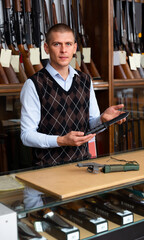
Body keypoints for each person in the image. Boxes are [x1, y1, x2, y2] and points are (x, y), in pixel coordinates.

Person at [20, 23, 125, 209]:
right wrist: (61, 140)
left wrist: (102, 119)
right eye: (56, 44)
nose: (63, 50)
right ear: (46, 48)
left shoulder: (85, 80)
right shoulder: (33, 84)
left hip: (82, 169)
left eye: (68, 44)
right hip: (47, 175)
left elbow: (90, 122)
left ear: (75, 47)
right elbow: (26, 136)